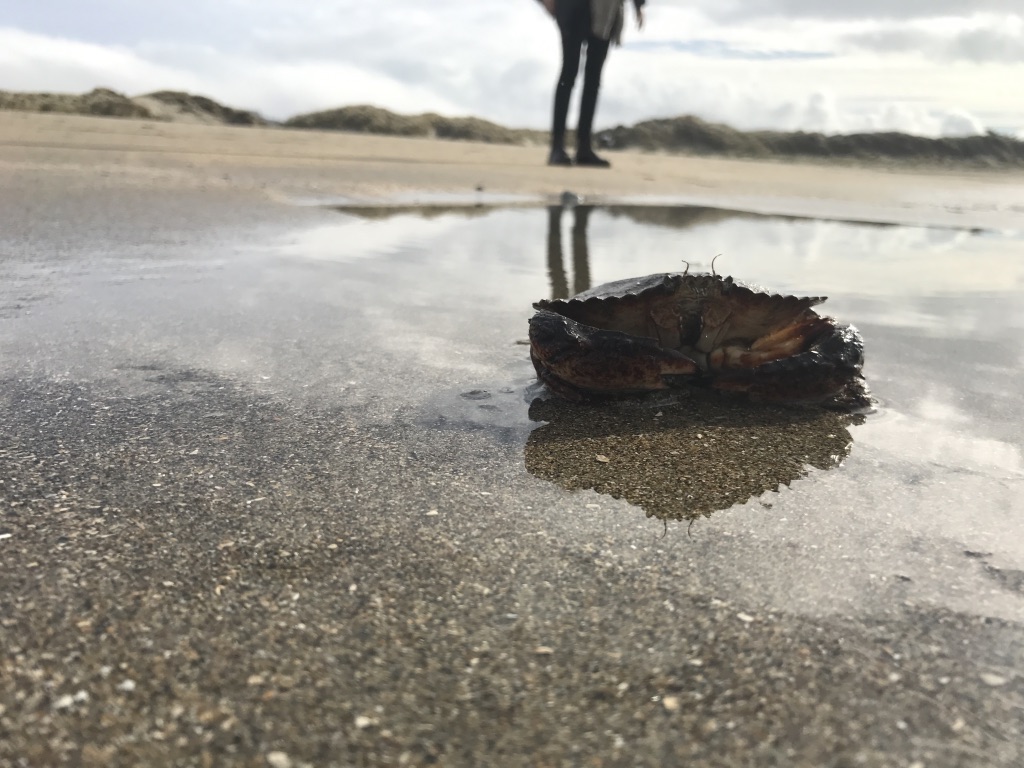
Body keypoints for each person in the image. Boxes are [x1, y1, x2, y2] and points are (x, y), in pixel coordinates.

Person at [537, 0, 645, 168]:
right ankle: (557, 147)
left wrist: (638, 6)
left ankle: (584, 148)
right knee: (569, 73)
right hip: (572, 6)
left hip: (607, 9)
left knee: (593, 80)